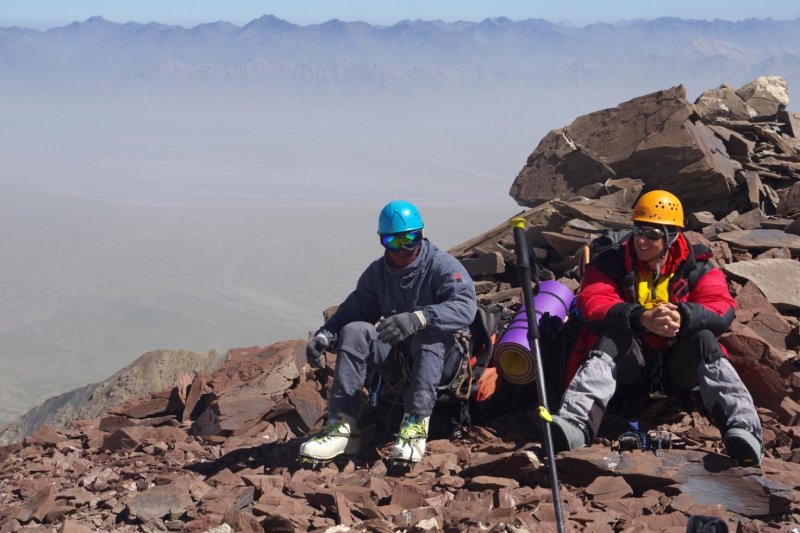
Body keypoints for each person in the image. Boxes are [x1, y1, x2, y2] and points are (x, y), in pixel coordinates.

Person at [551, 190, 764, 466]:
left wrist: (683, 317)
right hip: (631, 371)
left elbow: (721, 308)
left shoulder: (697, 266)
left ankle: (743, 429)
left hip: (676, 373)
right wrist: (640, 318)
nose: (640, 240)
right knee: (612, 336)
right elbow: (593, 303)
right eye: (638, 230)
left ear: (671, 235)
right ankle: (576, 423)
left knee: (703, 338)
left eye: (652, 234)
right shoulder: (612, 262)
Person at [299, 200, 477, 464]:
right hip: (399, 361)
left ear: (421, 234)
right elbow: (354, 309)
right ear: (382, 241)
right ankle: (343, 428)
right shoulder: (378, 274)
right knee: (355, 331)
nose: (404, 248)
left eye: (411, 238)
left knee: (429, 334)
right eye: (394, 241)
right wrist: (326, 335)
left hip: (443, 362)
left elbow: (465, 307)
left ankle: (415, 427)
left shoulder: (442, 266)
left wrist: (420, 318)